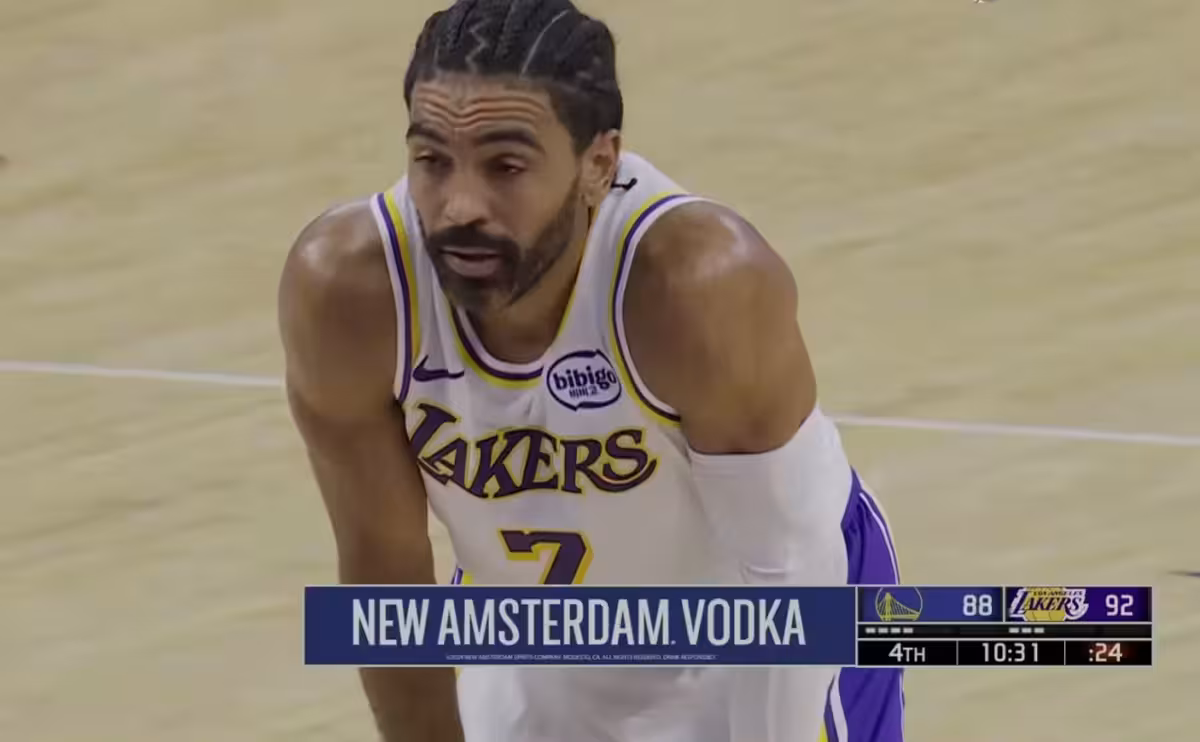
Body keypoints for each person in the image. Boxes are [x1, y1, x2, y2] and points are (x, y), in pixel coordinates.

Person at [278, 0, 905, 740]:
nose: (459, 207)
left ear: (598, 166)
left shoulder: (695, 287)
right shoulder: (350, 293)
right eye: (432, 161)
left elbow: (788, 563)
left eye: (506, 166)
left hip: (774, 615)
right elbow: (386, 569)